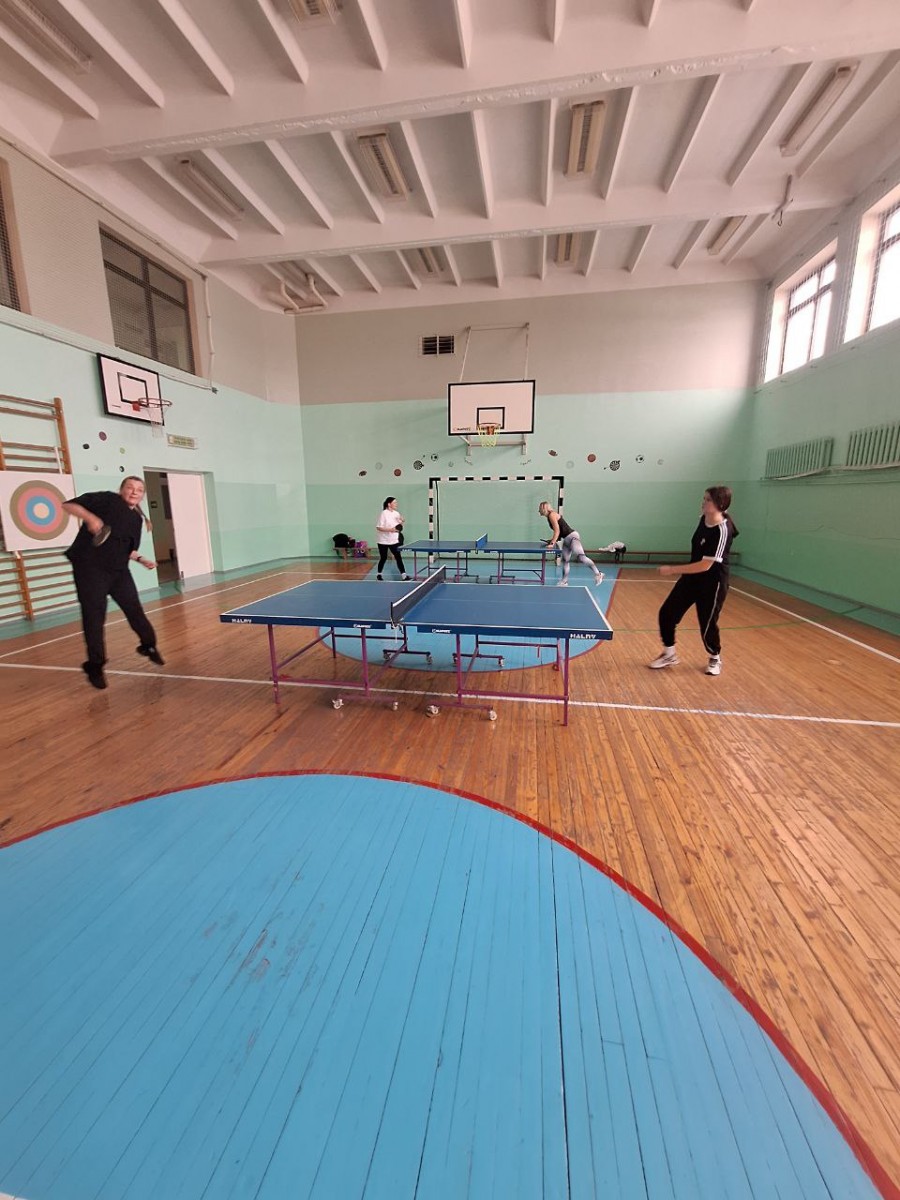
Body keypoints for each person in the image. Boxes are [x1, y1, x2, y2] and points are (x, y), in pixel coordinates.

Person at [62, 476, 164, 689]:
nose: (134, 492)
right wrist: (90, 518)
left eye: (139, 490)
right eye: (130, 487)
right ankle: (95, 665)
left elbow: (127, 549)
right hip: (90, 570)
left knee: (135, 610)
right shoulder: (107, 500)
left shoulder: (136, 519)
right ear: (121, 489)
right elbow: (68, 505)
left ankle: (148, 645)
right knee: (94, 617)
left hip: (118, 572)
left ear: (142, 495)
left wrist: (141, 559)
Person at [648, 484, 738, 676]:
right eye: (704, 498)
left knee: (707, 623)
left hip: (713, 583)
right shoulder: (703, 519)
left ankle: (715, 657)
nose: (703, 502)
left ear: (720, 504)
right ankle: (669, 654)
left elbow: (705, 565)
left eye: (708, 500)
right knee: (667, 613)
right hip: (692, 579)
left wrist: (672, 570)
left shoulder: (722, 530)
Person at [538, 501, 603, 586]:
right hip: (566, 539)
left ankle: (598, 574)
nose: (538, 510)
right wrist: (551, 540)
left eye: (539, 508)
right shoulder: (549, 517)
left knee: (581, 557)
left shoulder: (552, 515)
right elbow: (560, 532)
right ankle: (564, 581)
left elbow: (557, 531)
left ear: (544, 508)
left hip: (572, 537)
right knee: (565, 561)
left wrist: (552, 543)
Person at [375, 496, 411, 581]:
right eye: (394, 503)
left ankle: (404, 576)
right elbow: (379, 527)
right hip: (383, 540)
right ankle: (379, 574)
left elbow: (399, 526)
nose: (396, 504)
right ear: (389, 504)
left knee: (398, 557)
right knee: (383, 558)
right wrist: (391, 530)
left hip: (394, 540)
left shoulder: (396, 513)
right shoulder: (383, 513)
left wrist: (402, 521)